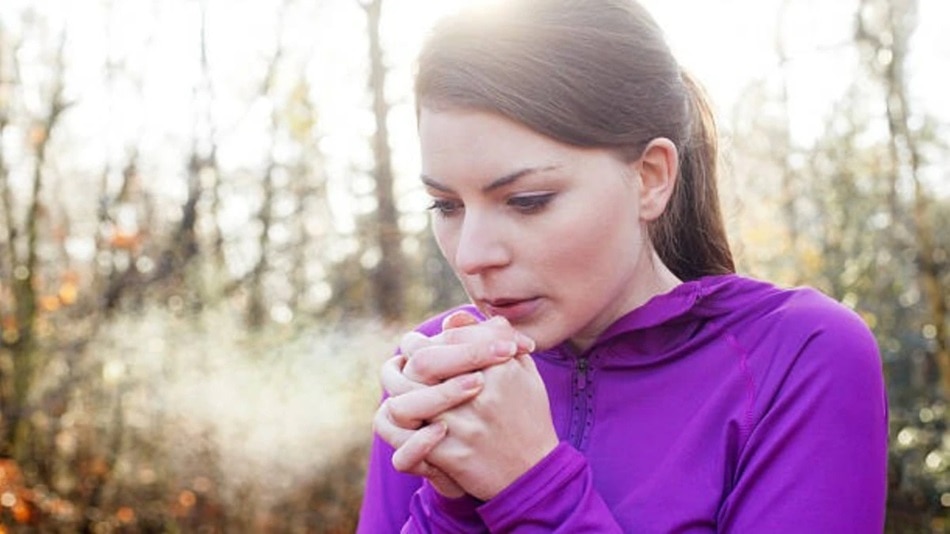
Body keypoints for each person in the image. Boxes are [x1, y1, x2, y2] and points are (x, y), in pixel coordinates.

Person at [357, 0, 888, 531]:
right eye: (446, 206)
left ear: (651, 177)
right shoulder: (435, 379)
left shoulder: (799, 356)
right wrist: (451, 504)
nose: (471, 256)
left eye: (527, 200)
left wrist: (531, 486)